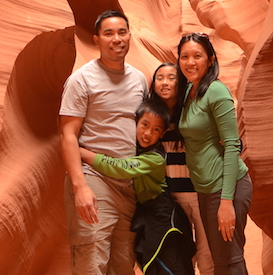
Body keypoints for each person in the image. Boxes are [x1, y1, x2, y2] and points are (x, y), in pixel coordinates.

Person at [59, 9, 147, 275]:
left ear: (130, 36)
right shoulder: (82, 80)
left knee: (122, 265)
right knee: (91, 262)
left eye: (122, 32)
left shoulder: (139, 79)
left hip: (128, 184)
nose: (116, 39)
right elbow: (68, 135)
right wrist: (81, 187)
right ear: (96, 40)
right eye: (108, 33)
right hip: (95, 180)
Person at [78, 98, 196, 275]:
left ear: (162, 133)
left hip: (162, 217)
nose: (147, 133)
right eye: (144, 125)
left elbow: (121, 168)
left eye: (155, 130)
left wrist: (83, 152)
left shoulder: (155, 158)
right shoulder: (137, 150)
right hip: (147, 214)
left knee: (169, 266)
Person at [177, 33, 252, 275]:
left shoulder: (216, 91)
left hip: (225, 186)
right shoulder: (190, 90)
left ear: (210, 60)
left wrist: (226, 202)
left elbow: (232, 145)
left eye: (197, 56)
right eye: (184, 56)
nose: (190, 62)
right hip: (205, 189)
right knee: (222, 262)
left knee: (229, 262)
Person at [148, 63, 215, 275]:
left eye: (171, 78)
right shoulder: (151, 118)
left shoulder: (192, 112)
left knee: (207, 255)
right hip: (172, 198)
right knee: (183, 255)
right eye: (160, 78)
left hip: (199, 193)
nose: (165, 82)